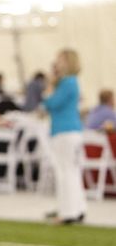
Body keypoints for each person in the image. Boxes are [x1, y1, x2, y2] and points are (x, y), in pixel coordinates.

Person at [42, 48, 86, 224]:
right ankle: (76, 208)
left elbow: (52, 103)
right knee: (72, 171)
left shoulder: (67, 82)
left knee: (65, 171)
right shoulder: (71, 82)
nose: (56, 63)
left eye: (59, 59)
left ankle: (68, 212)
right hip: (71, 131)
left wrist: (49, 87)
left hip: (64, 131)